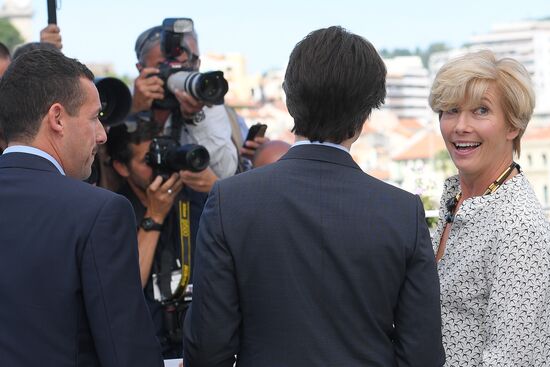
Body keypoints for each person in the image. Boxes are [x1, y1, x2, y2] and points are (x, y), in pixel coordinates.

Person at [183, 26, 445, 367]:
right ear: (367, 112)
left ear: (290, 99)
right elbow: (421, 355)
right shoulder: (401, 212)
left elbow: (208, 349)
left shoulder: (230, 200)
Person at [0, 49, 163, 367]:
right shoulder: (99, 212)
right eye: (95, 118)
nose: (103, 135)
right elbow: (126, 351)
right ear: (57, 118)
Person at [429, 50, 550, 366]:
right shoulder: (457, 199)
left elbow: (513, 358)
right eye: (451, 110)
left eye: (481, 111)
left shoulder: (518, 226)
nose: (460, 126)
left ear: (513, 126)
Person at [107, 118, 207, 358]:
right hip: (147, 350)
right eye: (148, 160)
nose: (160, 165)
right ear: (122, 167)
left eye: (164, 153)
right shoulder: (113, 211)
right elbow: (125, 287)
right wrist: (154, 216)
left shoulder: (195, 200)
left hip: (196, 346)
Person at [132, 20, 240, 191]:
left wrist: (195, 117)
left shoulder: (206, 102)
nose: (179, 73)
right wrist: (135, 110)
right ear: (141, 69)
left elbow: (226, 172)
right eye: (164, 67)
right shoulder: (126, 101)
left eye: (189, 63)